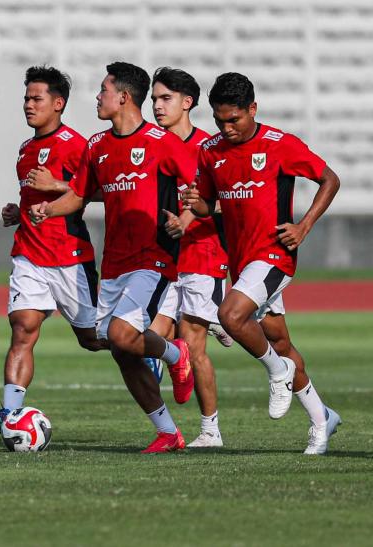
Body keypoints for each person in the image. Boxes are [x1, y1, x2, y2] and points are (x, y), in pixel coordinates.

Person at [29, 62, 195, 453]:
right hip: (116, 262)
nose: (97, 97)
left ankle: (175, 351)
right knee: (116, 347)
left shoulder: (162, 141)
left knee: (121, 336)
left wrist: (185, 218)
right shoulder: (97, 146)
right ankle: (169, 433)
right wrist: (47, 211)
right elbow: (79, 195)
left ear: (123, 96)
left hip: (153, 257)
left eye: (103, 90)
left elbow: (199, 184)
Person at [182, 72, 342, 454]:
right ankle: (322, 420)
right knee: (281, 342)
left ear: (252, 109)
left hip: (274, 255)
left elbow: (330, 180)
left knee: (230, 315)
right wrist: (196, 202)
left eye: (234, 119)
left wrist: (303, 226)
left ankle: (276, 371)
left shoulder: (279, 144)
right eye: (220, 120)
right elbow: (208, 204)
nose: (227, 127)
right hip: (242, 260)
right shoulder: (211, 151)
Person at [0, 66, 106, 434]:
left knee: (94, 338)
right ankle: (10, 414)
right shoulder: (25, 148)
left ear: (58, 103)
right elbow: (33, 199)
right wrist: (17, 212)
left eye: (36, 98)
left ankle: (152, 351)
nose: (28, 105)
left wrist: (56, 185)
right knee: (23, 328)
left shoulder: (76, 145)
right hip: (29, 254)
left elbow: (99, 191)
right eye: (26, 98)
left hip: (69, 257)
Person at [148, 67, 230, 448]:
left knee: (195, 346)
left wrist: (192, 215)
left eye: (165, 99)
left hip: (203, 255)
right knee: (143, 338)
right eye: (153, 99)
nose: (157, 106)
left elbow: (231, 201)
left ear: (187, 103)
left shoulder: (210, 148)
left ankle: (210, 431)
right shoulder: (150, 144)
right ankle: (175, 360)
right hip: (163, 259)